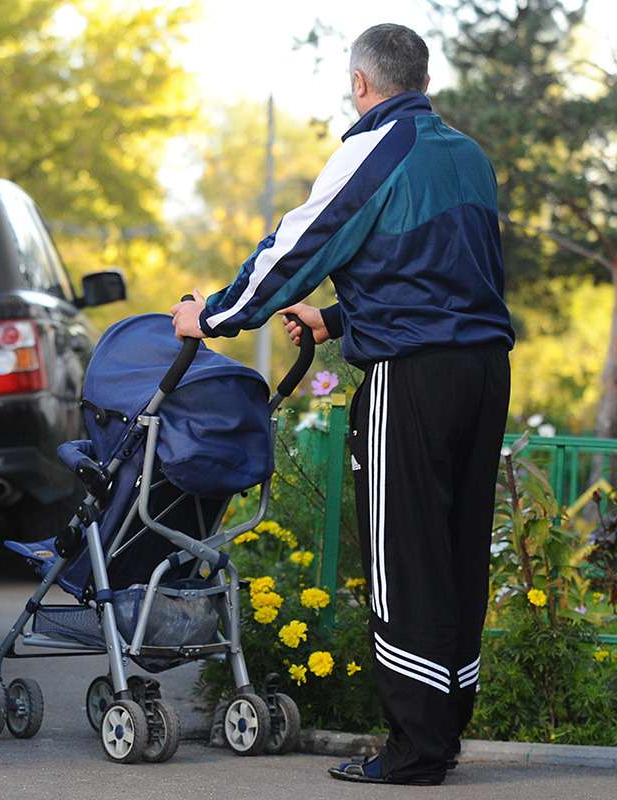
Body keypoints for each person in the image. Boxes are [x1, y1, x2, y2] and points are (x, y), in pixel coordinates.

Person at [171, 23, 513, 785]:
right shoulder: (468, 155)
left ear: (362, 83)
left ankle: (415, 749)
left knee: (403, 554)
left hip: (414, 378)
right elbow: (445, 276)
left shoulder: (374, 146)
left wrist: (215, 316)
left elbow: (296, 247)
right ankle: (443, 730)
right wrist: (337, 320)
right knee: (456, 549)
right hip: (485, 371)